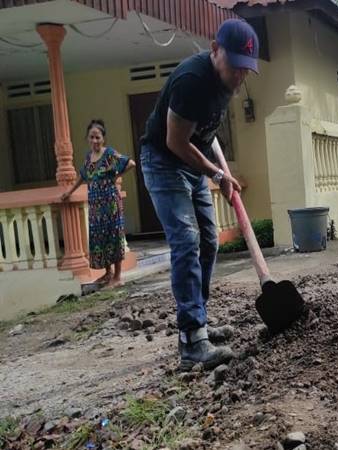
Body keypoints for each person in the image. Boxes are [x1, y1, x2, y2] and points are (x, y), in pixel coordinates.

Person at [140, 19, 257, 371]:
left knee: (209, 240)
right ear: (214, 49)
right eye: (235, 65)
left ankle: (199, 323)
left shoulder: (226, 84)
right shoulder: (192, 81)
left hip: (193, 163)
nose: (239, 76)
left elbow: (209, 134)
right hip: (163, 162)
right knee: (187, 241)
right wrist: (216, 173)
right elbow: (176, 141)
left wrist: (224, 172)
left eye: (246, 69)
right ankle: (192, 340)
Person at [61, 120, 135, 288]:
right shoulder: (89, 157)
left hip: (110, 202)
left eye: (98, 137)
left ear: (103, 138)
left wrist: (115, 176)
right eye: (91, 137)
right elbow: (82, 175)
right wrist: (70, 192)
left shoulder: (109, 154)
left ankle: (117, 276)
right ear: (88, 138)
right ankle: (107, 273)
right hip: (95, 204)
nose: (94, 141)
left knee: (113, 235)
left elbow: (131, 163)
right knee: (99, 237)